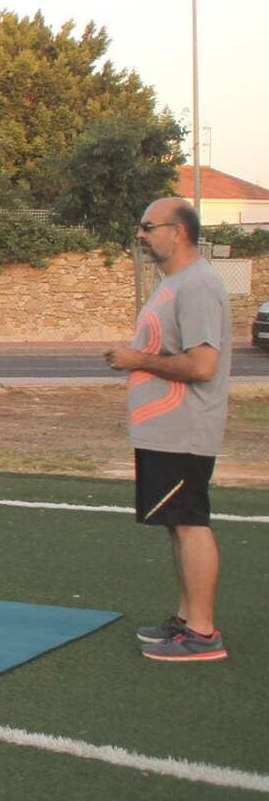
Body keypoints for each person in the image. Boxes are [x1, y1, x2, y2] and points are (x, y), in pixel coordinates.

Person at [105, 197, 232, 662]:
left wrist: (135, 360)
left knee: (190, 521)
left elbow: (202, 365)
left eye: (148, 226)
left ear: (178, 231)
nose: (140, 234)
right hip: (164, 432)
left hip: (185, 431)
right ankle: (186, 618)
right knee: (177, 525)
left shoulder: (197, 285)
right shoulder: (175, 284)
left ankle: (202, 632)